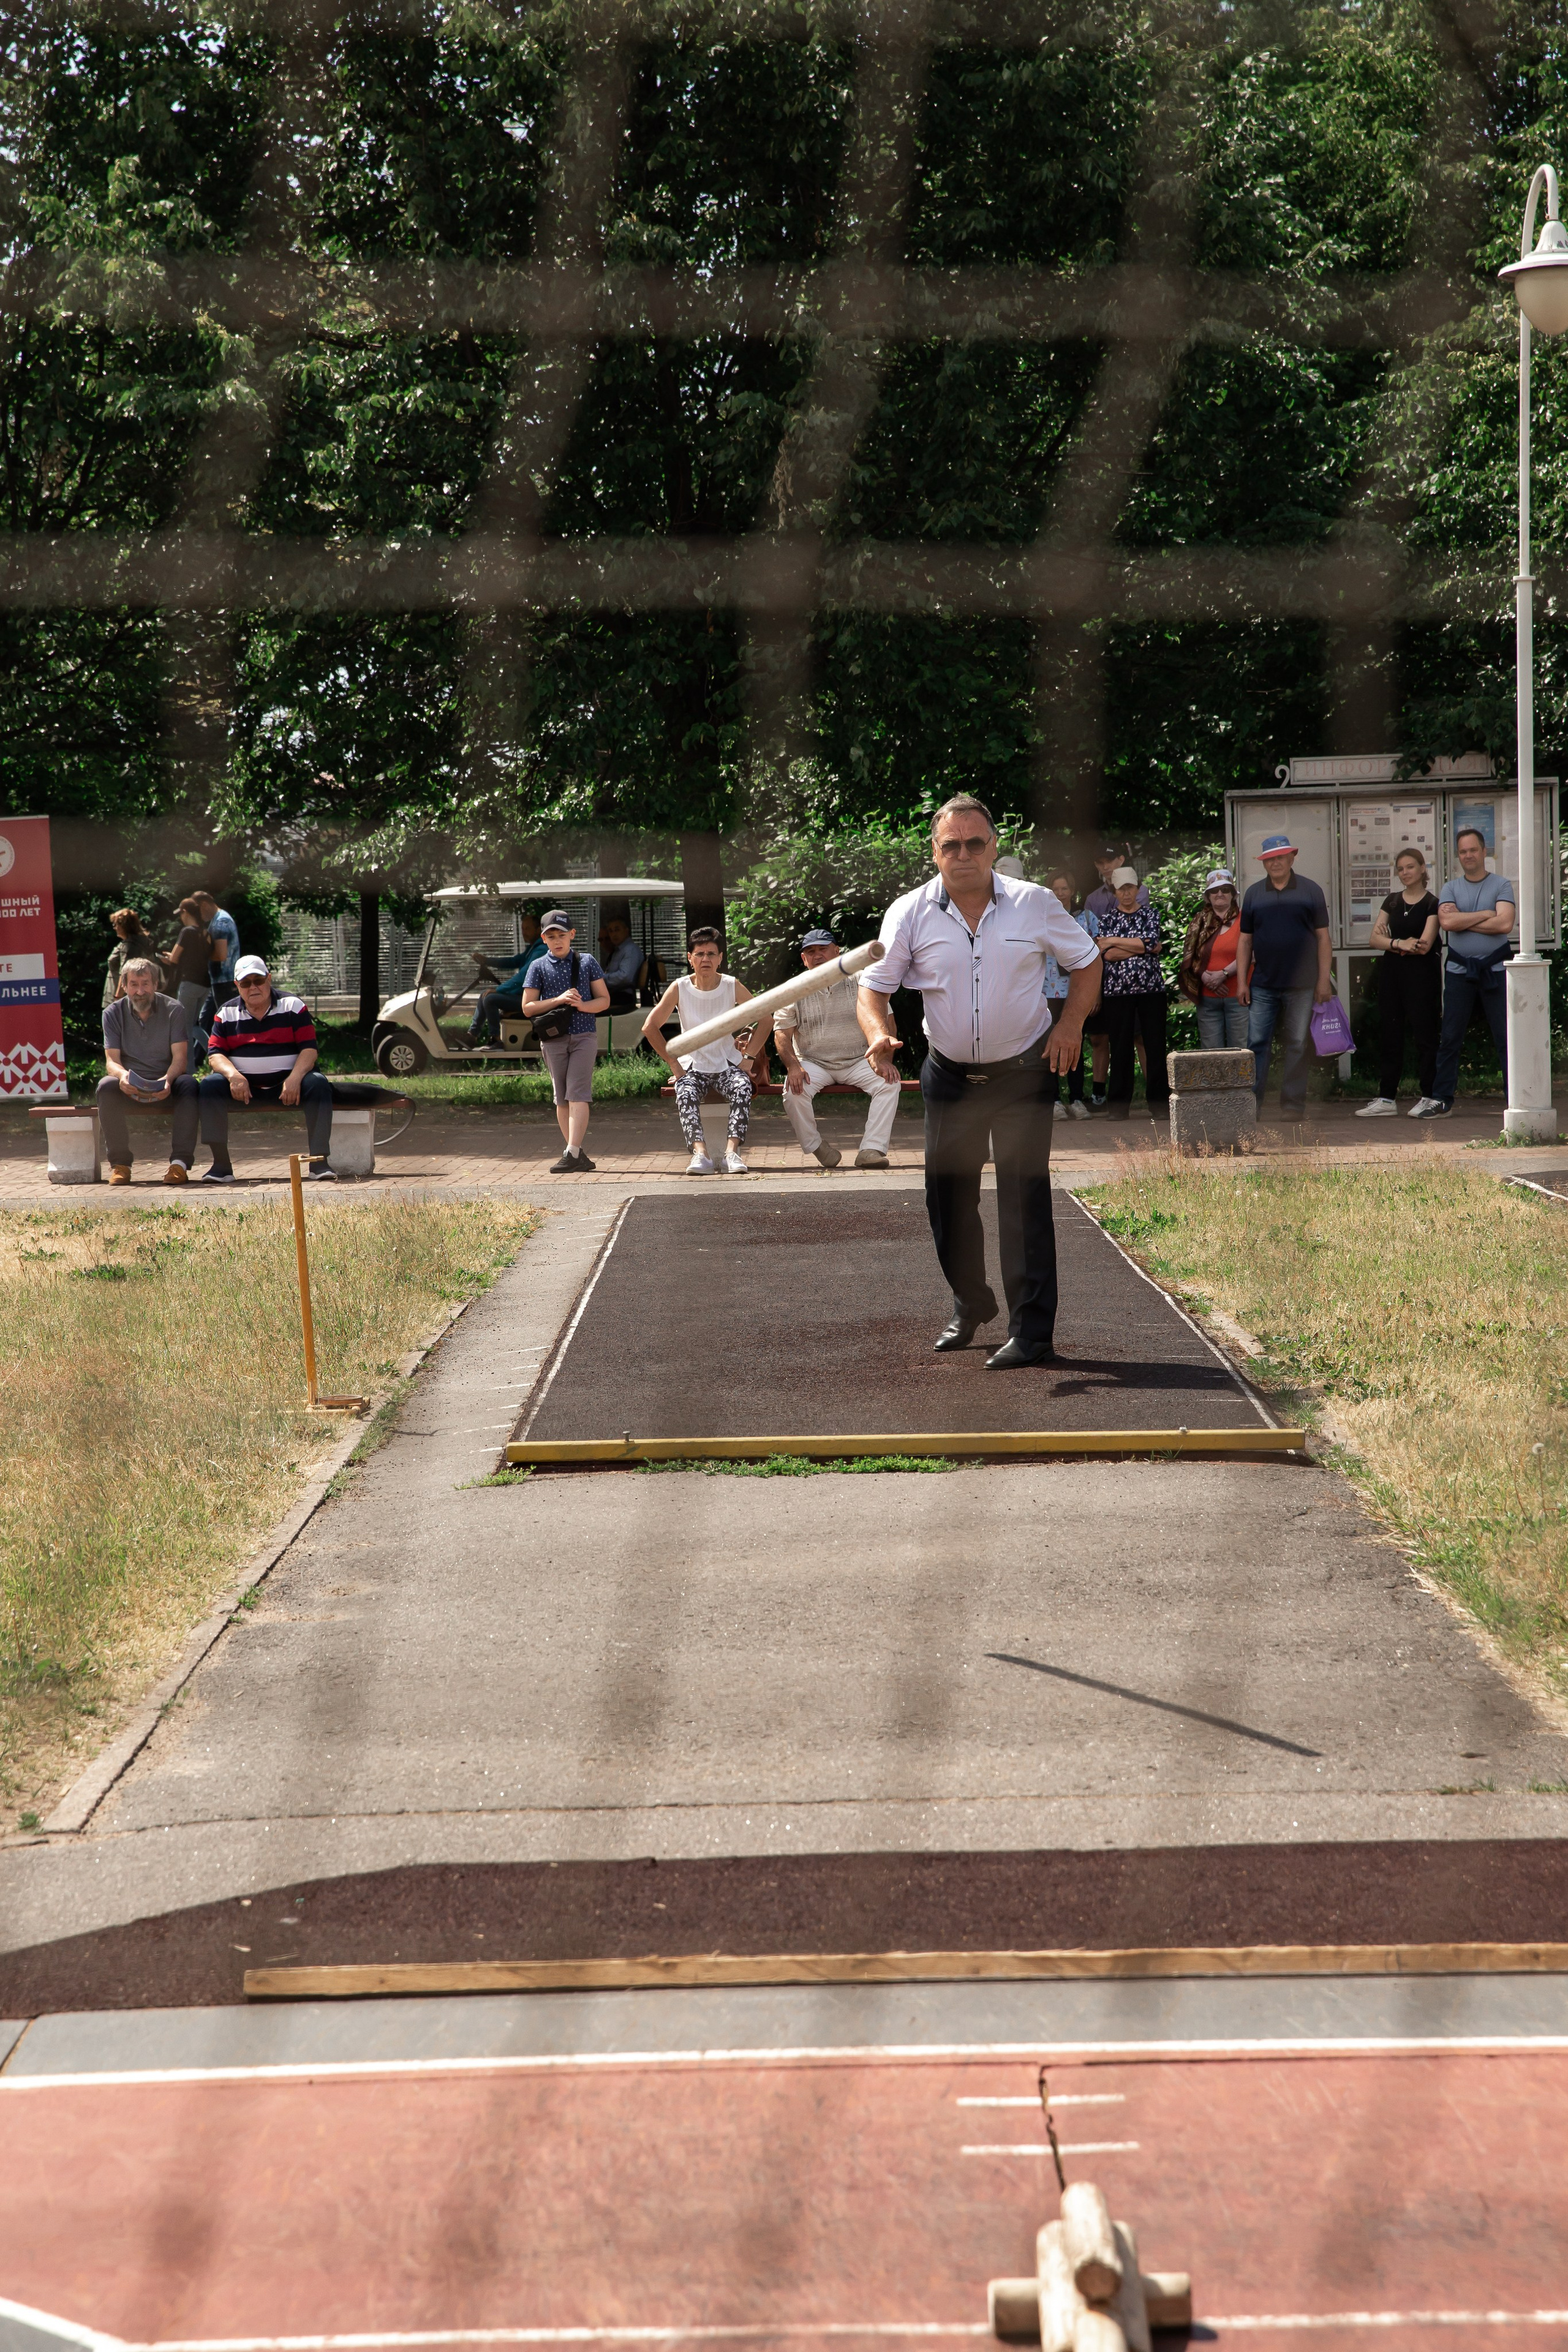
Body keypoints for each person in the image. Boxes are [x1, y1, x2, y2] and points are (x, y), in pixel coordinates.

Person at [857, 794, 1100, 1368]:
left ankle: (1032, 1333)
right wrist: (877, 1033)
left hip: (1024, 1073)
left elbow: (1088, 961)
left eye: (974, 844)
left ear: (994, 848)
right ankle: (972, 1302)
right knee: (947, 1200)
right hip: (950, 1076)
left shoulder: (1034, 903)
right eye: (951, 845)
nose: (963, 854)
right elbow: (873, 989)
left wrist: (1070, 1026)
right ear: (934, 852)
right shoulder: (909, 913)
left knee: (1023, 1197)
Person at [774, 927, 902, 1169]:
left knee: (889, 1082)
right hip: (813, 1062)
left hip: (860, 1059)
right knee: (793, 1092)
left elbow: (888, 1022)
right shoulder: (792, 989)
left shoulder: (863, 980)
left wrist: (883, 1059)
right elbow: (781, 1035)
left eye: (823, 949)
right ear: (804, 959)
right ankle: (817, 1147)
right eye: (811, 952)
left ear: (837, 951)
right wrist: (793, 1067)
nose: (818, 955)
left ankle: (871, 1150)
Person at [198, 954, 335, 1182]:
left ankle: (320, 1163)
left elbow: (310, 1050)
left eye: (258, 980)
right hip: (243, 1088)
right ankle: (220, 1166)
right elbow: (215, 1055)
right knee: (209, 1086)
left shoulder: (293, 1006)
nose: (253, 987)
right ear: (237, 986)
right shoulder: (225, 1013)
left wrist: (295, 1078)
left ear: (269, 979)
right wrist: (233, 1076)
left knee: (318, 1084)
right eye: (246, 983)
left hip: (290, 1085)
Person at [642, 926, 765, 1177]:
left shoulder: (731, 985)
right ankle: (701, 1155)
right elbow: (649, 1027)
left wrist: (749, 1060)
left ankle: (732, 1153)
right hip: (693, 1067)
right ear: (690, 958)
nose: (705, 959)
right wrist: (674, 1064)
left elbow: (766, 1019)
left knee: (742, 1087)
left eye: (711, 954)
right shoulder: (680, 987)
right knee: (685, 1091)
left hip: (727, 1064)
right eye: (699, 954)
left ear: (720, 958)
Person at [1414, 826, 1516, 1120]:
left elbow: (1504, 924)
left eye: (1473, 850)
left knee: (1506, 1037)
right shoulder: (1450, 888)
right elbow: (1447, 924)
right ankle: (1442, 1099)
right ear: (1458, 856)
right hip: (1459, 972)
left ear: (1484, 852)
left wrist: (1464, 920)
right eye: (1463, 851)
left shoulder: (1502, 885)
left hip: (1496, 971)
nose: (1468, 855)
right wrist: (1486, 914)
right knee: (1450, 1037)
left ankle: (1516, 1099)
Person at [1237, 832, 1333, 1120]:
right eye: (1269, 859)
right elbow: (1245, 941)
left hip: (1302, 985)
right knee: (1256, 1045)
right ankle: (1250, 1106)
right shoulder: (1254, 894)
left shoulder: (1311, 890)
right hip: (1263, 984)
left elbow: (1323, 938)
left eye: (1280, 857)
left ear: (1292, 857)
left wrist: (1323, 981)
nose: (1275, 863)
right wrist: (1241, 981)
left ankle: (1292, 1105)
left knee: (1298, 1044)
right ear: (1263, 863)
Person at [521, 911, 611, 1172]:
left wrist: (582, 1005)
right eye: (551, 937)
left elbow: (604, 1000)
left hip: (584, 1036)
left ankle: (571, 1153)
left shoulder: (587, 962)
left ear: (572, 935)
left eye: (561, 935)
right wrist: (559, 1000)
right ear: (543, 939)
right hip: (553, 1039)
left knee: (578, 1092)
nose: (557, 941)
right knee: (561, 1097)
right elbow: (528, 1007)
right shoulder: (538, 966)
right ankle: (576, 1153)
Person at [99, 957, 199, 1185]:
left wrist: (168, 1079)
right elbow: (111, 1062)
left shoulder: (174, 1009)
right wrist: (123, 1076)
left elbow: (181, 1059)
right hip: (130, 1085)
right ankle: (120, 1165)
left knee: (189, 1084)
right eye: (134, 984)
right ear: (124, 986)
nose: (140, 991)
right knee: (106, 1086)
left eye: (146, 983)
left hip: (167, 1083)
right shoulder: (112, 1013)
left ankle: (179, 1165)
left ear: (155, 984)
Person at [1357, 848, 1441, 1117]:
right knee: (1390, 1035)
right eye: (1401, 869)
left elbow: (1425, 945)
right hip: (1392, 976)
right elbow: (1375, 939)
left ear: (1423, 868)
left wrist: (1392, 942)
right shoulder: (1392, 901)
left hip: (1422, 977)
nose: (1405, 873)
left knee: (1425, 1036)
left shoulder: (1432, 903)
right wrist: (1399, 944)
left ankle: (1429, 1095)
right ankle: (1386, 1099)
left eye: (1410, 867)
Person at [1098, 866, 1170, 1118]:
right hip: (1117, 991)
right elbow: (1107, 955)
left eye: (1131, 888)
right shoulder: (1107, 919)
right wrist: (1142, 947)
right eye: (1122, 889)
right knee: (1120, 1047)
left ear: (1138, 889)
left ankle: (1160, 1105)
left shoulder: (1151, 914)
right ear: (1115, 892)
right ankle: (1118, 1107)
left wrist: (1114, 941)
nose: (1127, 893)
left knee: (1155, 1045)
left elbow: (1149, 942)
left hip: (1151, 989)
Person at [1083, 847, 1149, 1103]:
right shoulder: (1092, 899)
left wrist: (1113, 945)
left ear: (1121, 860)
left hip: (1136, 979)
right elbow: (1094, 945)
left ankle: (1153, 1095)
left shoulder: (1141, 891)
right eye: (1100, 862)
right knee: (1100, 1037)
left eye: (1109, 861)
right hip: (1100, 976)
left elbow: (1146, 941)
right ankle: (1100, 1096)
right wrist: (1132, 946)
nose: (1105, 866)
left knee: (1139, 1037)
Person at [1043, 874, 1099, 1119]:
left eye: (1064, 888)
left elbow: (1096, 958)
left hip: (1077, 991)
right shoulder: (1041, 918)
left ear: (1073, 890)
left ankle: (1077, 1099)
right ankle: (1054, 1100)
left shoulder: (1086, 918)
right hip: (1047, 991)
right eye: (1055, 889)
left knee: (1077, 1043)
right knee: (1049, 1044)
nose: (1060, 893)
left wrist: (1095, 993)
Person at [1179, 869, 1248, 1050]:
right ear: (1208, 896)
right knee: (1211, 1053)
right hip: (1208, 998)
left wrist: (1223, 975)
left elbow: (1252, 953)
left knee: (1240, 1050)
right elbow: (1190, 956)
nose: (1220, 894)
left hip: (1238, 996)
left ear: (1233, 894)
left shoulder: (1245, 919)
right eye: (1214, 890)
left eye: (1225, 889)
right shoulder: (1199, 922)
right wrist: (1206, 978)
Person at [466, 910, 547, 1046]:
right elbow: (513, 962)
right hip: (525, 997)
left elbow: (523, 976)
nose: (524, 932)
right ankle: (472, 1036)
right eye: (523, 929)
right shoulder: (532, 949)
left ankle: (495, 1040)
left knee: (491, 999)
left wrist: (500, 990)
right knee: (485, 994)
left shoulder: (541, 951)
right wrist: (487, 961)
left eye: (528, 929)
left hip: (533, 1001)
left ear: (539, 929)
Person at [160, 896, 215, 1035]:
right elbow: (198, 957)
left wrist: (169, 958)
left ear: (185, 912)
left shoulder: (187, 931)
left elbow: (175, 958)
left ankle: (188, 1052)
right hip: (205, 985)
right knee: (194, 1026)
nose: (181, 918)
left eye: (181, 914)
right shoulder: (206, 933)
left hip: (189, 983)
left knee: (184, 1027)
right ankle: (212, 1048)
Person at [102, 908, 162, 1005]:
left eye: (116, 924)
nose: (114, 928)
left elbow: (125, 973)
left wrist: (117, 999)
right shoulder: (141, 942)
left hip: (125, 998)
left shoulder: (130, 946)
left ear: (124, 926)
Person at [597, 910, 646, 1012]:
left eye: (617, 930)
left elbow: (625, 977)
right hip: (615, 993)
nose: (614, 934)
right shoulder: (618, 950)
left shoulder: (630, 950)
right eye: (611, 931)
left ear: (626, 930)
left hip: (622, 996)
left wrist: (601, 979)